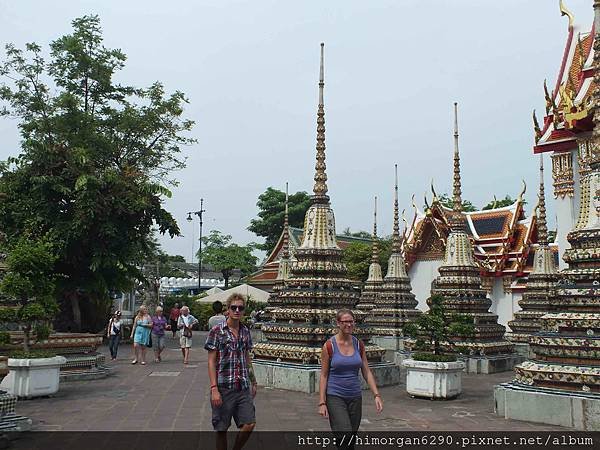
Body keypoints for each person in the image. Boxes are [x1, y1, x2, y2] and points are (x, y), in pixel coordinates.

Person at [318, 309, 383, 449]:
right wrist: (322, 402)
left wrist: (376, 395)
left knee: (351, 437)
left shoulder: (358, 344)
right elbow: (323, 375)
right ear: (338, 323)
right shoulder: (329, 346)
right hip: (335, 396)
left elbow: (366, 371)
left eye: (351, 321)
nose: (348, 325)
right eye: (345, 322)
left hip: (354, 396)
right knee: (344, 432)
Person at [205, 293, 256, 450]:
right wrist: (214, 389)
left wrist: (253, 380)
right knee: (221, 429)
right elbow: (211, 361)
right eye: (234, 307)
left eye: (240, 308)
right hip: (223, 386)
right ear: (227, 309)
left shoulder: (245, 331)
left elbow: (247, 357)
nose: (237, 310)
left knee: (249, 423)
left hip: (242, 386)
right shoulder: (217, 331)